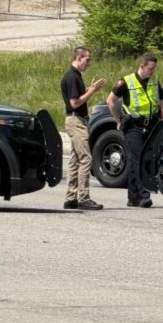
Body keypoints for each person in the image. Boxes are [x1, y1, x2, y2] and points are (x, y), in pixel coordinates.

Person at [106, 53, 163, 208]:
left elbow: (161, 104)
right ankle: (143, 195)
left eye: (154, 68)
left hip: (151, 125)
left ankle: (133, 198)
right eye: (150, 68)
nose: (152, 71)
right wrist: (118, 120)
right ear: (142, 66)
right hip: (133, 126)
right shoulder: (126, 82)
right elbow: (110, 101)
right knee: (140, 157)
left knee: (137, 160)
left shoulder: (154, 81)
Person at [60, 46, 106, 210]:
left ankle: (71, 197)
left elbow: (76, 96)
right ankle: (83, 198)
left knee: (75, 159)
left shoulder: (74, 75)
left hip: (75, 120)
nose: (89, 63)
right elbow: (74, 103)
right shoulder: (72, 76)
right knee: (86, 158)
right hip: (76, 121)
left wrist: (89, 88)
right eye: (87, 59)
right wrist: (91, 91)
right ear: (79, 58)